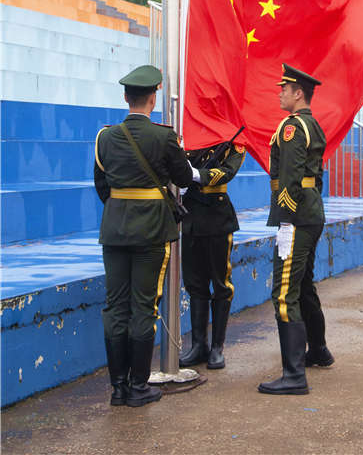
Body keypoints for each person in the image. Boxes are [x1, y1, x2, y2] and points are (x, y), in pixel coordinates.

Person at [94, 65, 195, 408]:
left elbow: (102, 186)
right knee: (143, 307)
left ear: (126, 97)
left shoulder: (105, 137)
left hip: (115, 229)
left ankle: (118, 388)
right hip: (151, 229)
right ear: (153, 98)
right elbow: (182, 178)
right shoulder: (165, 137)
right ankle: (138, 386)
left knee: (115, 308)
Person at [258, 63, 334, 396]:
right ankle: (317, 350)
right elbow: (314, 176)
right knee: (303, 286)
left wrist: (284, 217)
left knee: (284, 292)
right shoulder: (313, 125)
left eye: (283, 89)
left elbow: (289, 176)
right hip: (311, 211)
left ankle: (293, 376)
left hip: (296, 215)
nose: (280, 93)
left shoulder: (291, 127)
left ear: (297, 92)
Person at [179, 141, 246, 370]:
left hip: (217, 217)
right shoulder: (188, 134)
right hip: (190, 217)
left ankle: (217, 347)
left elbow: (228, 172)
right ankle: (199, 345)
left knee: (220, 283)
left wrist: (197, 175)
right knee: (195, 284)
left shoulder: (233, 141)